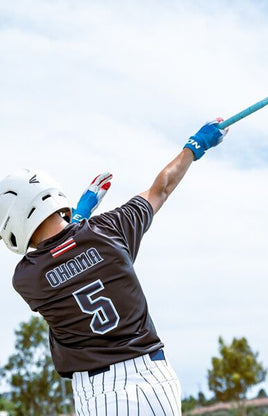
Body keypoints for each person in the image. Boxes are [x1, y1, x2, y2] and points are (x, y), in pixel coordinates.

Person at [0, 119, 228, 416]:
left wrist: (80, 217)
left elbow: (61, 256)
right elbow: (161, 189)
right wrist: (196, 145)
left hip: (98, 391)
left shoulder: (26, 278)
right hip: (153, 378)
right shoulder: (110, 228)